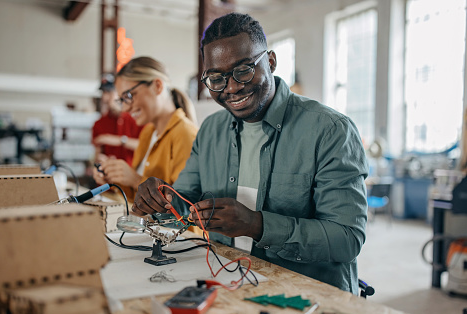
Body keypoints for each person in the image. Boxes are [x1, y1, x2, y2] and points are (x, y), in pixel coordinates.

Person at [131, 13, 369, 294]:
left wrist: (256, 225)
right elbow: (184, 203)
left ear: (270, 61)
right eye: (216, 79)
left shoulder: (329, 130)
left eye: (243, 70)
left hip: (308, 295)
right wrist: (161, 199)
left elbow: (347, 238)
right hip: (229, 282)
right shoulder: (211, 131)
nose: (231, 88)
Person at [93, 57, 198, 203]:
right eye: (122, 100)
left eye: (129, 96)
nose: (125, 108)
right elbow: (139, 200)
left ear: (157, 86)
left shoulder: (185, 134)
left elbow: (188, 208)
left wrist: (136, 180)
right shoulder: (148, 133)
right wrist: (115, 177)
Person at [92, 73, 145, 166]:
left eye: (109, 92)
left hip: (135, 177)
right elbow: (97, 154)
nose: (105, 98)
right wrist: (100, 160)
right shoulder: (99, 123)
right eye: (103, 93)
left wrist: (120, 140)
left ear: (120, 93)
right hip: (109, 176)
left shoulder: (137, 118)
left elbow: (147, 146)